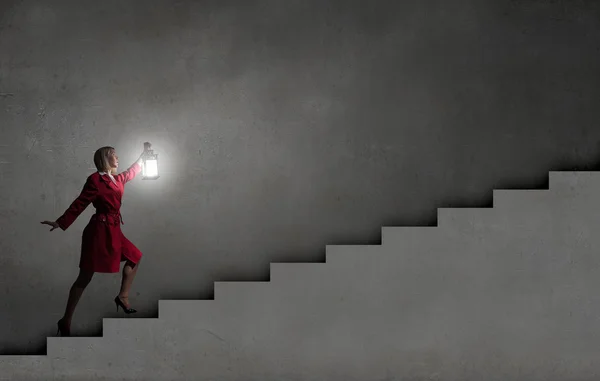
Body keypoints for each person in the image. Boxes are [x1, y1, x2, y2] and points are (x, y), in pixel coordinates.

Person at [40, 144, 148, 337]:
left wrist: (144, 155)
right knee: (85, 277)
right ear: (104, 158)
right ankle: (66, 320)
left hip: (115, 229)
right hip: (98, 231)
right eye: (113, 155)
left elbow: (131, 172)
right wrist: (60, 222)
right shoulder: (95, 180)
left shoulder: (117, 179)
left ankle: (122, 296)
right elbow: (80, 203)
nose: (117, 157)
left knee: (135, 256)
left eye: (116, 154)